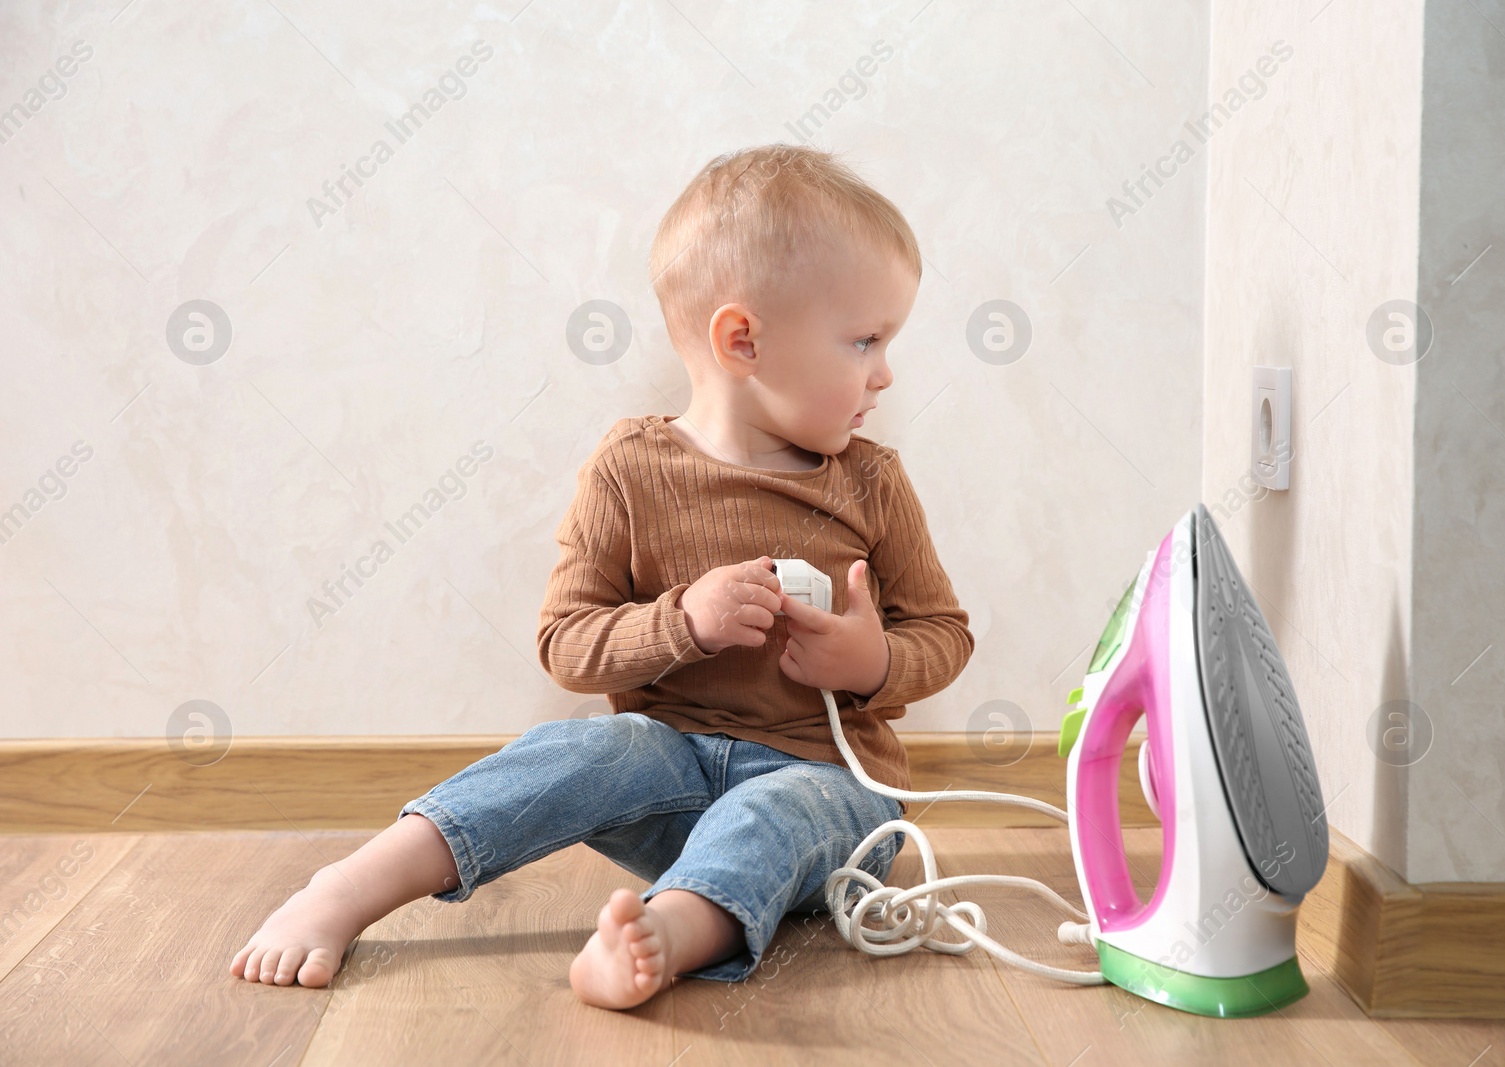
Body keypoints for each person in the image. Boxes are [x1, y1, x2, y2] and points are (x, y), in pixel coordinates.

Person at [230, 144, 974, 1009]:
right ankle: (348, 887)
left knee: (769, 812)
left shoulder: (872, 481)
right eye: (865, 340)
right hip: (674, 780)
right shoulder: (629, 469)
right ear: (743, 339)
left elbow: (943, 632)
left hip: (835, 801)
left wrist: (871, 665)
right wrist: (682, 624)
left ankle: (670, 934)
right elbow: (567, 645)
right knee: (582, 749)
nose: (885, 372)